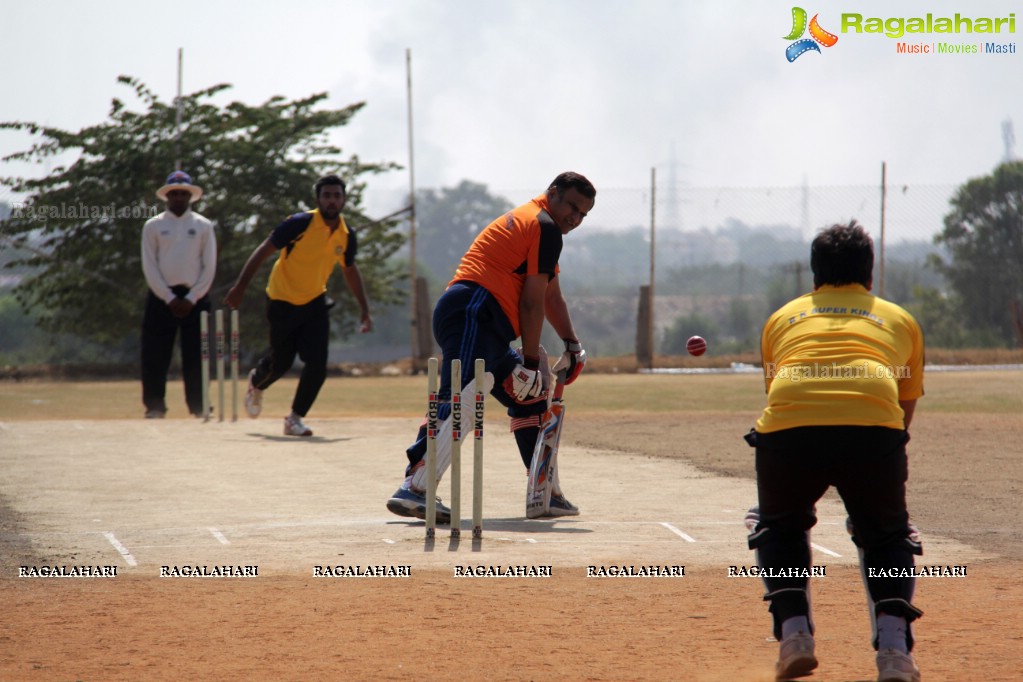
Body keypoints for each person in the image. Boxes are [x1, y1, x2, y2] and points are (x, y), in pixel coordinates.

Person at [746, 220, 926, 682]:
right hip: (874, 431)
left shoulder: (782, 318)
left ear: (814, 278)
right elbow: (901, 414)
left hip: (789, 430)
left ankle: (794, 636)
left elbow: (778, 397)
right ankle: (894, 654)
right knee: (887, 537)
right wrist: (874, 477)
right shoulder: (900, 319)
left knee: (778, 526)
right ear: (871, 277)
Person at [386, 171, 595, 522]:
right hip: (475, 311)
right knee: (463, 395)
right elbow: (531, 304)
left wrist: (572, 346)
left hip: (486, 324)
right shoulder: (542, 225)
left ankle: (542, 491)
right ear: (554, 193)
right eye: (572, 207)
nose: (575, 218)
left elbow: (550, 296)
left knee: (528, 396)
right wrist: (530, 359)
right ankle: (415, 486)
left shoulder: (541, 227)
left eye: (583, 214)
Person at [223, 174, 372, 437]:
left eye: (337, 196)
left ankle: (294, 418)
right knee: (281, 363)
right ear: (318, 199)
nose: (332, 201)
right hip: (281, 299)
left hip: (315, 301)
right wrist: (240, 287)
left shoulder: (347, 235)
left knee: (318, 364)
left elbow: (349, 270)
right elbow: (264, 250)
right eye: (326, 195)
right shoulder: (299, 223)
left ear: (344, 200)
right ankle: (257, 383)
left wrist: (364, 309)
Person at [140, 170, 217, 419]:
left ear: (191, 196)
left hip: (195, 297)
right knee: (155, 353)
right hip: (162, 297)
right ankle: (154, 405)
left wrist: (193, 297)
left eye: (184, 193)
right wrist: (168, 296)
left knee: (197, 355)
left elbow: (209, 265)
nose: (179, 198)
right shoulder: (153, 226)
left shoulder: (203, 225)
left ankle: (199, 405)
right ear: (167, 196)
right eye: (174, 194)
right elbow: (150, 265)